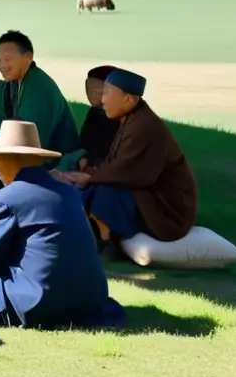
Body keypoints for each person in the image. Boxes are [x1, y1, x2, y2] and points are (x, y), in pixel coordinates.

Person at [0, 121, 125, 329]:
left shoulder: (7, 198)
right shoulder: (69, 192)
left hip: (39, 301)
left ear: (1, 159)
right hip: (90, 301)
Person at [60, 69, 198, 246]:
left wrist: (90, 176)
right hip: (143, 190)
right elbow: (115, 164)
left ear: (128, 100)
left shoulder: (144, 127)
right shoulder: (130, 120)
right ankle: (88, 230)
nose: (102, 101)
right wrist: (88, 173)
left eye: (107, 94)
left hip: (166, 208)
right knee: (85, 187)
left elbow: (130, 173)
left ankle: (105, 237)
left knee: (106, 192)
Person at [0, 30, 80, 182]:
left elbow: (31, 135)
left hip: (52, 153)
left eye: (8, 59)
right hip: (11, 143)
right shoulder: (9, 86)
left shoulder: (39, 86)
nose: (3, 66)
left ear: (28, 57)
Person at [58, 65, 120, 171]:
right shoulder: (94, 113)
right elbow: (84, 146)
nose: (92, 95)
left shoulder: (123, 117)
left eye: (98, 91)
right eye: (90, 89)